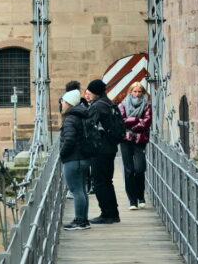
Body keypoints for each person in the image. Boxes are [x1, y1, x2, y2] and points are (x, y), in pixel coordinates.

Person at [85, 79, 120, 224]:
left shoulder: (97, 106)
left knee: (99, 182)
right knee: (107, 181)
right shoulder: (109, 103)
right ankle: (113, 213)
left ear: (95, 92)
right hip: (110, 148)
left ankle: (107, 214)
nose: (88, 94)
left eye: (90, 92)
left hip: (100, 149)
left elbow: (88, 126)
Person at [59, 89, 91, 230]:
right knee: (82, 190)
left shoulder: (70, 118)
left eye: (64, 101)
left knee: (76, 190)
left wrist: (62, 154)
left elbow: (69, 140)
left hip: (73, 159)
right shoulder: (82, 115)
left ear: (69, 103)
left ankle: (79, 221)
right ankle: (84, 220)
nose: (62, 103)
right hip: (84, 157)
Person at [118, 82, 152, 210]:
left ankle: (140, 196)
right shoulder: (122, 105)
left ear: (143, 93)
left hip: (140, 140)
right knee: (129, 170)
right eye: (135, 91)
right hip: (125, 140)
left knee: (139, 168)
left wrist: (131, 122)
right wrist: (138, 120)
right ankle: (132, 201)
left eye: (139, 92)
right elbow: (121, 120)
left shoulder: (147, 106)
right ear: (130, 92)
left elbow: (147, 122)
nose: (137, 94)